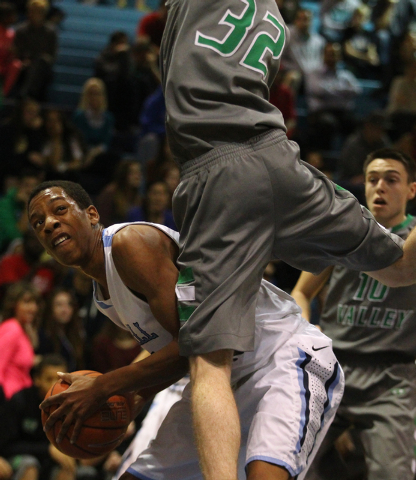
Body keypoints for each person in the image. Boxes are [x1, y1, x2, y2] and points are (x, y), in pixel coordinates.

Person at [157, 2, 416, 479]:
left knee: (211, 361)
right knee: (399, 265)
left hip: (219, 170)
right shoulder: (274, 13)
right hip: (280, 160)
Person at [28, 180, 344, 480]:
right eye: (38, 222)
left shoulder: (129, 243)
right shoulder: (103, 298)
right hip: (218, 381)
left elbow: (195, 344)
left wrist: (104, 386)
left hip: (280, 357)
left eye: (59, 210)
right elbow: (180, 357)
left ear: (92, 214)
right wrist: (132, 400)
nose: (49, 224)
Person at [291, 148, 416, 480]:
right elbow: (301, 293)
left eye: (392, 180)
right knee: (290, 465)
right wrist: (307, 330)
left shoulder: (413, 237)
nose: (380, 187)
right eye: (373, 179)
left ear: (411, 190)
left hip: (390, 376)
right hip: (332, 368)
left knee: (393, 473)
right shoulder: (347, 232)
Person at [0, 354, 77, 480]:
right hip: (17, 458)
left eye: (60, 381)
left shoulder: (70, 406)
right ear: (37, 379)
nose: (54, 385)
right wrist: (47, 450)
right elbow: (6, 446)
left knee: (67, 465)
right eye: (49, 379)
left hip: (49, 461)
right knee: (30, 465)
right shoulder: (20, 401)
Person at [0, 282, 41, 404]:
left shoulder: (23, 329)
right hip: (9, 401)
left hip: (20, 399)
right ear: (14, 305)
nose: (33, 308)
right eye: (27, 302)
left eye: (35, 303)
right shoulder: (12, 328)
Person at [13, 0, 58, 101]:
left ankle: (25, 94)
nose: (32, 14)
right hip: (24, 67)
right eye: (31, 11)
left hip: (42, 68)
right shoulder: (21, 30)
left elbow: (52, 55)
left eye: (37, 11)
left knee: (40, 63)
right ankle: (29, 95)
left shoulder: (51, 32)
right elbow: (16, 52)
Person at [37, 287, 86, 371]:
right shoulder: (43, 335)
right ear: (50, 308)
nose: (65, 310)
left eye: (69, 304)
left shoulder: (77, 334)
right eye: (59, 305)